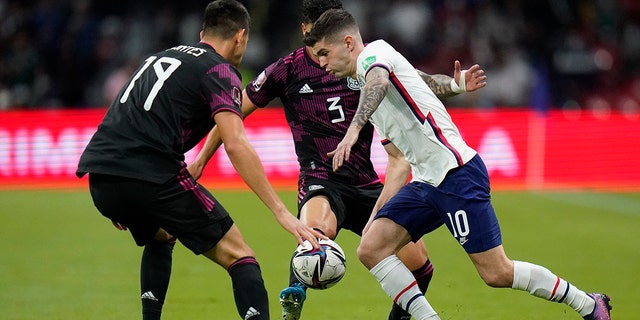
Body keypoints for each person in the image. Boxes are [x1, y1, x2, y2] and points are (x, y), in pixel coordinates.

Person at [304, 8, 612, 320]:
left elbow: (379, 80)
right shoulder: (363, 83)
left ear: (348, 42)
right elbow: (416, 100)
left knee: (497, 273)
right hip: (425, 183)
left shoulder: (376, 55)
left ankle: (588, 303)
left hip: (457, 174)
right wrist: (454, 86)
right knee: (371, 247)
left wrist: (354, 129)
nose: (322, 64)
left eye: (325, 53)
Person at [187, 1, 487, 319]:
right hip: (320, 178)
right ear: (306, 31)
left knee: (420, 264)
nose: (324, 47)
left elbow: (417, 81)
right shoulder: (286, 69)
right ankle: (296, 292)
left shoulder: (365, 61)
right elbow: (233, 113)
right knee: (318, 230)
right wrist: (202, 159)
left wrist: (455, 84)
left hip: (365, 181)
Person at [76, 1, 324, 320]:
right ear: (240, 37)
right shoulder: (220, 70)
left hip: (102, 175)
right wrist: (281, 211)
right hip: (150, 174)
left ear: (202, 33)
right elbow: (236, 143)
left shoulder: (160, 56)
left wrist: (118, 189)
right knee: (241, 256)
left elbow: (122, 114)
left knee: (161, 234)